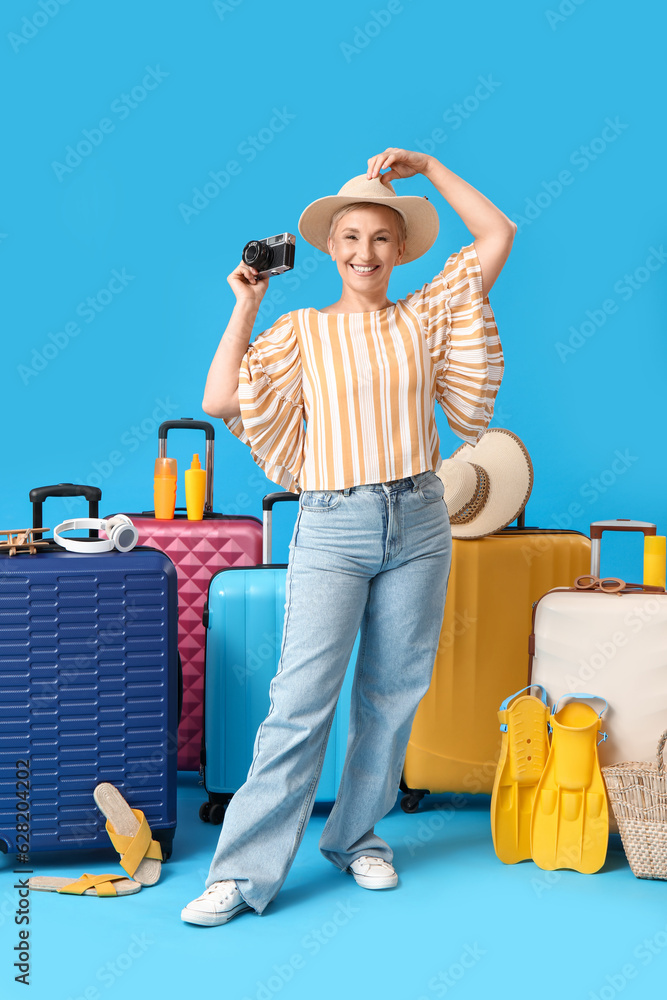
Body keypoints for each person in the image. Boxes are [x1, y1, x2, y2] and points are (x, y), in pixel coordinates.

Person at [181, 148, 516, 926]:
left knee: (392, 695)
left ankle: (356, 836)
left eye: (381, 239)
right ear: (331, 248)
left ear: (400, 250)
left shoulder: (424, 316)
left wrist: (429, 168)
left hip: (421, 519)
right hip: (333, 524)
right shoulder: (300, 330)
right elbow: (220, 396)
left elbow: (496, 233)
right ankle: (239, 874)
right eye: (351, 237)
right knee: (300, 702)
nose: (365, 252)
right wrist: (246, 301)